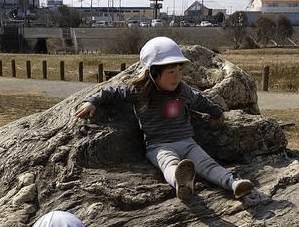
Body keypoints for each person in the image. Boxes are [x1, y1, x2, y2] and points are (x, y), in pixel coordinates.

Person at [75, 36, 253, 202]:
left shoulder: (183, 91)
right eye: (171, 72)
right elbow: (112, 91)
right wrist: (93, 101)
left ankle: (233, 183)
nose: (177, 76)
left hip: (187, 142)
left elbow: (200, 100)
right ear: (152, 72)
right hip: (158, 146)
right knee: (168, 165)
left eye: (180, 70)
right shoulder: (138, 92)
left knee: (207, 164)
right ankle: (181, 183)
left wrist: (215, 111)